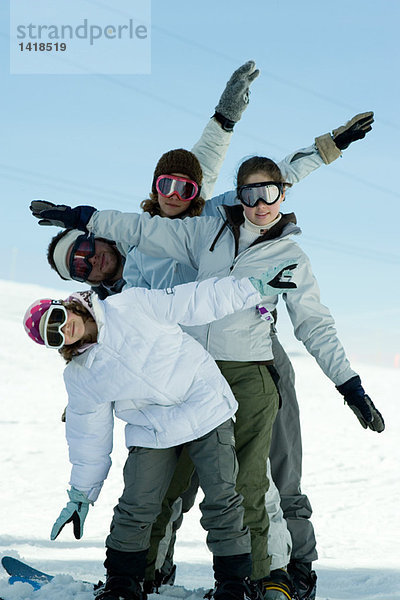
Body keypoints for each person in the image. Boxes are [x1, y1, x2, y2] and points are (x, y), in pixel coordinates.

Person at [32, 111, 375, 600]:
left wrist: (302, 140)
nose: (88, 262)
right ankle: (145, 573)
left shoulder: (201, 222)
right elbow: (95, 353)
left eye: (86, 249)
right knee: (170, 485)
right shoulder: (113, 297)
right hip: (186, 377)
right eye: (77, 268)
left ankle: (283, 572)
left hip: (256, 361)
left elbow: (249, 176)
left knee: (269, 479)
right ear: (77, 283)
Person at [23, 263, 298, 600]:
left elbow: (195, 300)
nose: (64, 330)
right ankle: (122, 583)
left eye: (57, 319)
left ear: (64, 306)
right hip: (152, 427)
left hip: (204, 405)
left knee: (222, 498)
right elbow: (88, 437)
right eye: (54, 336)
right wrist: (81, 493)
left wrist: (251, 287)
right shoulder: (82, 376)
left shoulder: (130, 305)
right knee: (136, 504)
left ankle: (234, 584)